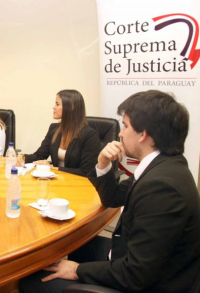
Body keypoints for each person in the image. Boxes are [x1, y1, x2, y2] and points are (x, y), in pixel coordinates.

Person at [19, 90, 200, 292]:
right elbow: (113, 197)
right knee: (75, 247)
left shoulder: (162, 187)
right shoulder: (164, 167)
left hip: (146, 282)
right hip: (131, 258)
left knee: (31, 280)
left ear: (143, 134)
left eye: (125, 125)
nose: (120, 133)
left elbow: (135, 274)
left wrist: (78, 270)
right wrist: (103, 163)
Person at [17, 89, 101, 176]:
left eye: (57, 104)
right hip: (56, 182)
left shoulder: (89, 135)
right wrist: (23, 157)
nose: (53, 107)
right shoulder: (54, 129)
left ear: (71, 108)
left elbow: (86, 172)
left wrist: (54, 169)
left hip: (77, 185)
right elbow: (40, 155)